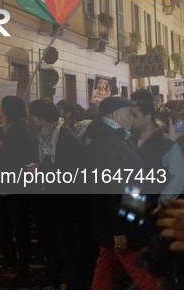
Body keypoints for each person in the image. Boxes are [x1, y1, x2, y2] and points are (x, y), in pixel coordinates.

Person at [87, 96, 161, 290]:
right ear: (115, 115)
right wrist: (116, 230)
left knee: (104, 274)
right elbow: (105, 189)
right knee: (145, 277)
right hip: (124, 223)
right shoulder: (108, 143)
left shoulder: (114, 139)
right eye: (130, 113)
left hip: (123, 219)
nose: (133, 118)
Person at [28, 99, 97, 290]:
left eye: (32, 114)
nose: (31, 119)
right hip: (50, 195)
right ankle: (53, 279)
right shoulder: (46, 135)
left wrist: (41, 168)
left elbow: (68, 168)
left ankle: (71, 281)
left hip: (63, 199)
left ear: (40, 116)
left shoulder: (64, 134)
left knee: (63, 242)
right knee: (51, 240)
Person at [0, 96, 37, 285]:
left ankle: (22, 269)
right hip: (4, 187)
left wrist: (4, 148)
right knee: (3, 229)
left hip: (15, 189)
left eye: (1, 107)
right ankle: (10, 265)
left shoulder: (22, 130)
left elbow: (26, 159)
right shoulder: (7, 128)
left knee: (20, 230)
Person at [130, 100, 184, 203]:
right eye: (180, 113)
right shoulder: (130, 141)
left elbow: (178, 178)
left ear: (147, 117)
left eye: (135, 115)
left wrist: (161, 201)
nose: (131, 119)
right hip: (137, 202)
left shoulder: (170, 143)